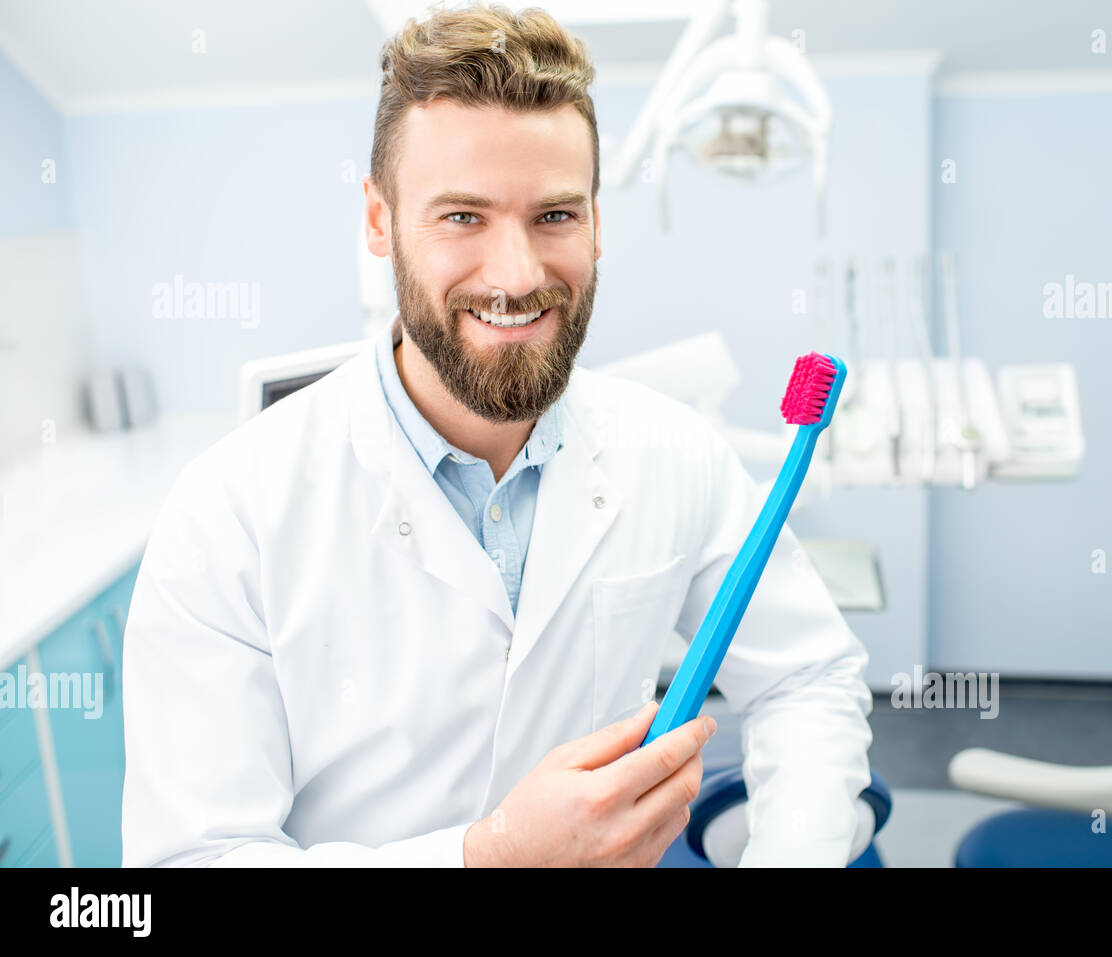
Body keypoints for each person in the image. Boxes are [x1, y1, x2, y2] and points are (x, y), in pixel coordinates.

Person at [121, 2, 872, 868]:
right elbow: (191, 860)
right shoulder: (229, 514)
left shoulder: (678, 456)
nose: (517, 275)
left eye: (554, 216)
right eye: (462, 217)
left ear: (596, 218)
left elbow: (807, 677)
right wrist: (493, 855)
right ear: (378, 220)